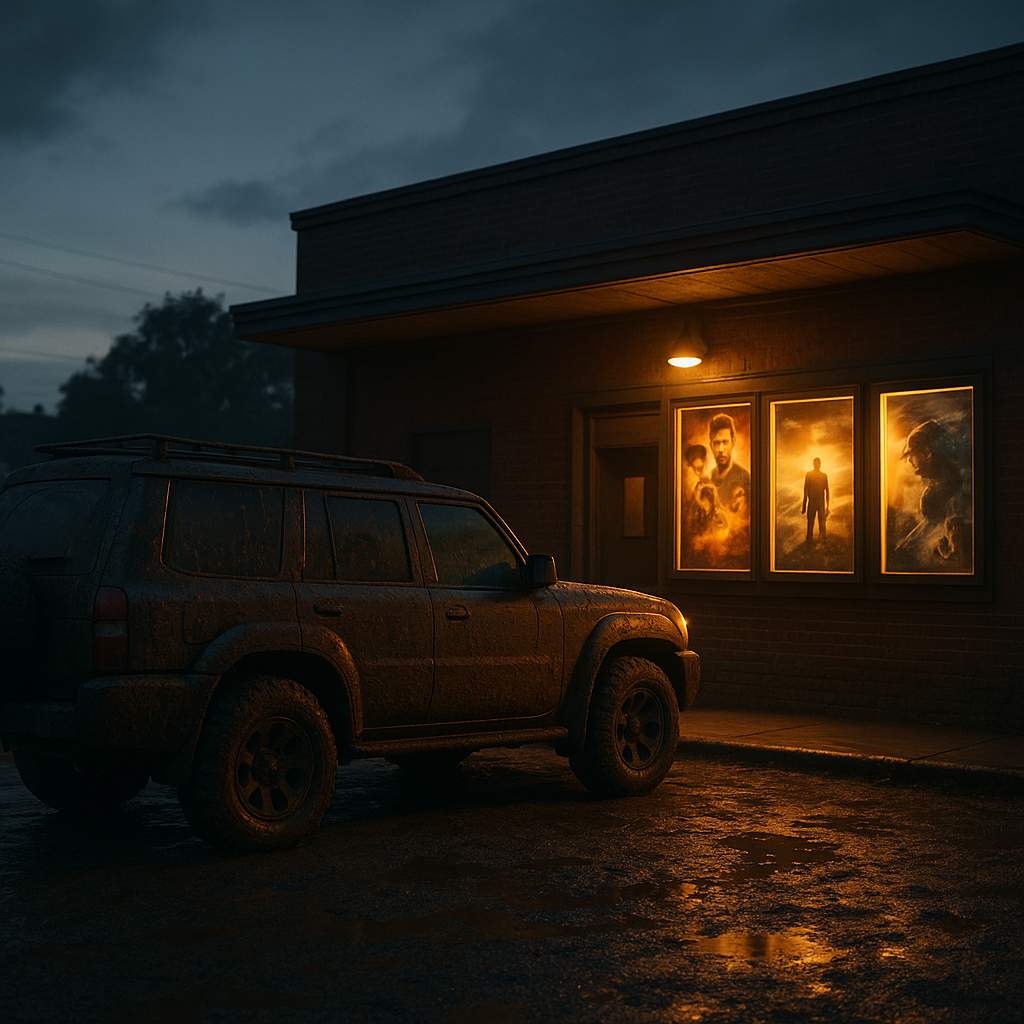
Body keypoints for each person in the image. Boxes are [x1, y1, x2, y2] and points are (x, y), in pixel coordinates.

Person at [708, 413, 750, 513]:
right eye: (717, 443)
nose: (721, 449)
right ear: (711, 445)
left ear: (733, 442)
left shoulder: (744, 478)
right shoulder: (709, 477)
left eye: (725, 442)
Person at [801, 457, 829, 543]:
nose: (817, 465)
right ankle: (809, 541)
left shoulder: (823, 475)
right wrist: (804, 506)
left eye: (818, 463)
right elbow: (806, 490)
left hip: (820, 503)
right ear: (814, 464)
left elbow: (827, 491)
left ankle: (821, 542)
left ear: (820, 464)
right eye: (816, 463)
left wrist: (827, 507)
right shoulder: (809, 475)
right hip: (812, 502)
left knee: (822, 525)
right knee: (810, 524)